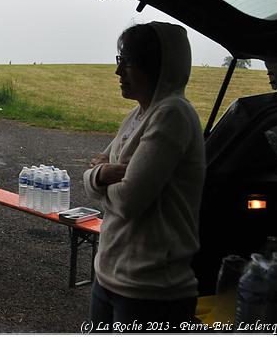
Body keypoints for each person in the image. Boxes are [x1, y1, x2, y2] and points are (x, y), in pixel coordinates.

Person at [83, 22, 205, 330]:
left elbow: (128, 201)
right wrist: (103, 174)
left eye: (127, 63)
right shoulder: (136, 116)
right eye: (118, 62)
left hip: (151, 291)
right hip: (109, 275)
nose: (118, 73)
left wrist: (102, 176)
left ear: (157, 67)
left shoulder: (172, 114)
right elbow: (91, 175)